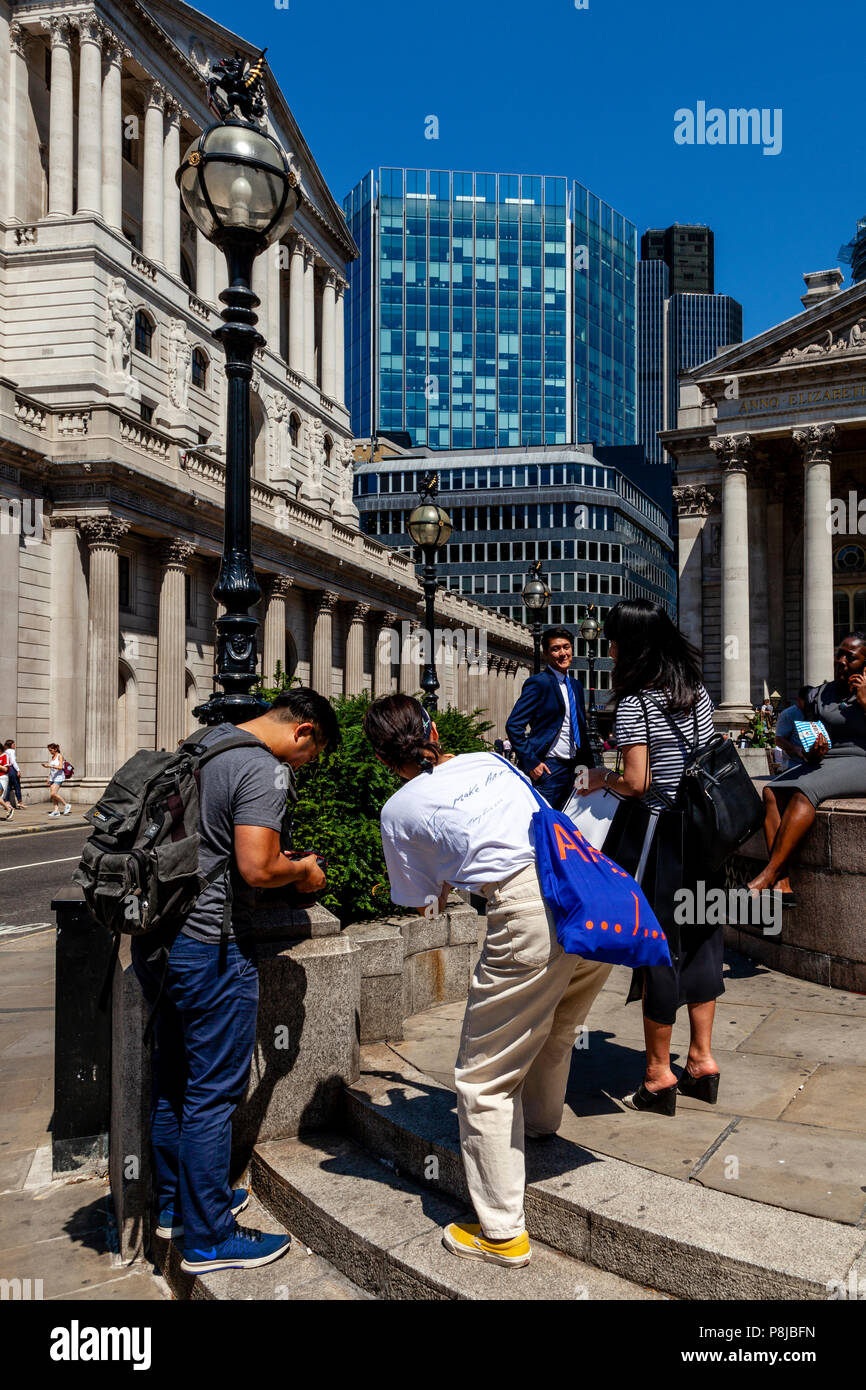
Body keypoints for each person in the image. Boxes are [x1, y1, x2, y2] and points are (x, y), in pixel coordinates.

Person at [365, 693, 611, 1269]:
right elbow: (532, 823)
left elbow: (423, 899)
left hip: (524, 914)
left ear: (381, 757)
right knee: (555, 1028)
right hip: (588, 896)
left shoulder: (398, 810)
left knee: (482, 1077)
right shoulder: (488, 760)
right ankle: (543, 1127)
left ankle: (502, 1232)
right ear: (431, 727)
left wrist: (446, 879)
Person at [131, 688, 338, 1276]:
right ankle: (207, 1237)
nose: (305, 767)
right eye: (312, 755)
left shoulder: (202, 746)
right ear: (304, 733)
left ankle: (177, 1206)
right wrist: (303, 870)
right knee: (213, 1095)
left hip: (161, 940)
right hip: (212, 947)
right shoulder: (262, 767)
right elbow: (257, 866)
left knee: (174, 1082)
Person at [575, 599, 721, 1116]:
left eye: (613, 640)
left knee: (660, 947)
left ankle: (659, 1074)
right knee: (703, 938)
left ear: (631, 645)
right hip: (703, 833)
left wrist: (601, 778)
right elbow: (700, 761)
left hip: (662, 838)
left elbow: (639, 783)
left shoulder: (635, 703)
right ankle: (702, 1060)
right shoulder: (694, 691)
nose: (609, 648)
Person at [747, 632, 866, 907]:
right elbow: (813, 734)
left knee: (804, 790)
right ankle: (783, 884)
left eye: (851, 657)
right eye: (840, 653)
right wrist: (814, 748)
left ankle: (767, 876)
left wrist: (863, 701)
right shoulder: (822, 694)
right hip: (830, 759)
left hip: (861, 759)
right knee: (771, 791)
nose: (842, 661)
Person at [505, 626, 593, 810]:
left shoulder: (575, 685)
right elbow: (514, 725)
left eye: (566, 647)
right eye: (556, 649)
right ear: (546, 653)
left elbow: (580, 730)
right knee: (544, 822)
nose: (563, 653)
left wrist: (586, 770)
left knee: (572, 821)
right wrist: (532, 762)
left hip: (575, 767)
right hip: (549, 769)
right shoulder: (539, 683)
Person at [772, 687, 810, 771]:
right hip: (794, 766)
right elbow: (778, 740)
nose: (810, 703)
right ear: (799, 700)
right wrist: (796, 749)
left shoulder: (816, 712)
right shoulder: (788, 714)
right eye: (807, 701)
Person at [42, 743, 71, 816]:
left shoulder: (59, 756)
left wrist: (49, 765)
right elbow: (52, 769)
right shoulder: (53, 757)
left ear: (55, 749)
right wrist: (48, 778)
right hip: (53, 777)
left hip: (59, 778)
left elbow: (61, 767)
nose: (50, 752)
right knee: (53, 795)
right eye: (49, 750)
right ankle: (56, 810)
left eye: (51, 750)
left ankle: (66, 805)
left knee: (53, 793)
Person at [3, 741, 24, 808]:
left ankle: (7, 802)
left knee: (8, 786)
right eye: (13, 744)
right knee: (17, 785)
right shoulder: (12, 751)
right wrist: (18, 770)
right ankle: (19, 802)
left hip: (7, 769)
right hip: (12, 769)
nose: (14, 745)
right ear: (10, 745)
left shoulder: (5, 751)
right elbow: (13, 761)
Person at [0, 745, 14, 821]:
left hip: (2, 778)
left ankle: (8, 808)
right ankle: (8, 808)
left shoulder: (5, 756)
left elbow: (6, 769)